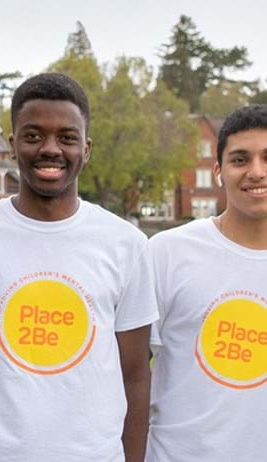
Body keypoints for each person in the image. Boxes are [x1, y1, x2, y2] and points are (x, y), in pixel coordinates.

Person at [0, 72, 158, 462]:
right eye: (34, 136)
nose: (50, 148)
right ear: (12, 144)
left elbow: (135, 375)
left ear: (86, 148)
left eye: (66, 137)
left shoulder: (127, 245)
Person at [146, 105, 267, 462]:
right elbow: (128, 373)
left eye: (266, 158)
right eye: (240, 159)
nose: (256, 172)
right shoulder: (168, 252)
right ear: (218, 171)